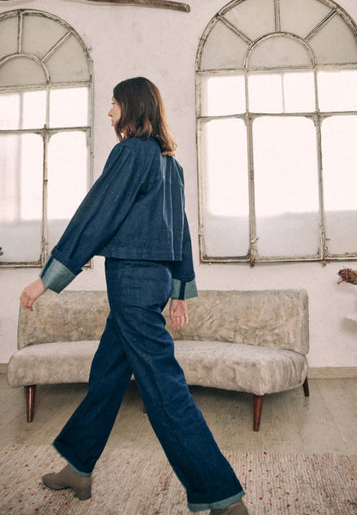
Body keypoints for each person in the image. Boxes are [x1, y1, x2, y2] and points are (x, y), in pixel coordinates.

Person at [19, 77, 249, 515]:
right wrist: (179, 291)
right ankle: (79, 468)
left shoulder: (130, 153)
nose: (109, 112)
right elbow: (181, 232)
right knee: (107, 375)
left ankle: (222, 496)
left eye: (113, 103)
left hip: (130, 283)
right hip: (156, 282)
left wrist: (46, 279)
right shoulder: (170, 164)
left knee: (165, 390)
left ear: (132, 106)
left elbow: (96, 213)